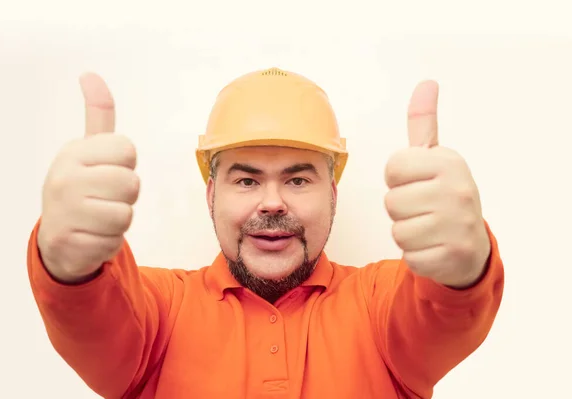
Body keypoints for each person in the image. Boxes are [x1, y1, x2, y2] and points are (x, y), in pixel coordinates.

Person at [27, 67, 504, 399]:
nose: (272, 202)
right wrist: (70, 265)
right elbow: (94, 315)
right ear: (211, 193)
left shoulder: (379, 303)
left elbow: (440, 313)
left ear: (333, 192)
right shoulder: (159, 311)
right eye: (246, 179)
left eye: (298, 179)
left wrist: (462, 272)